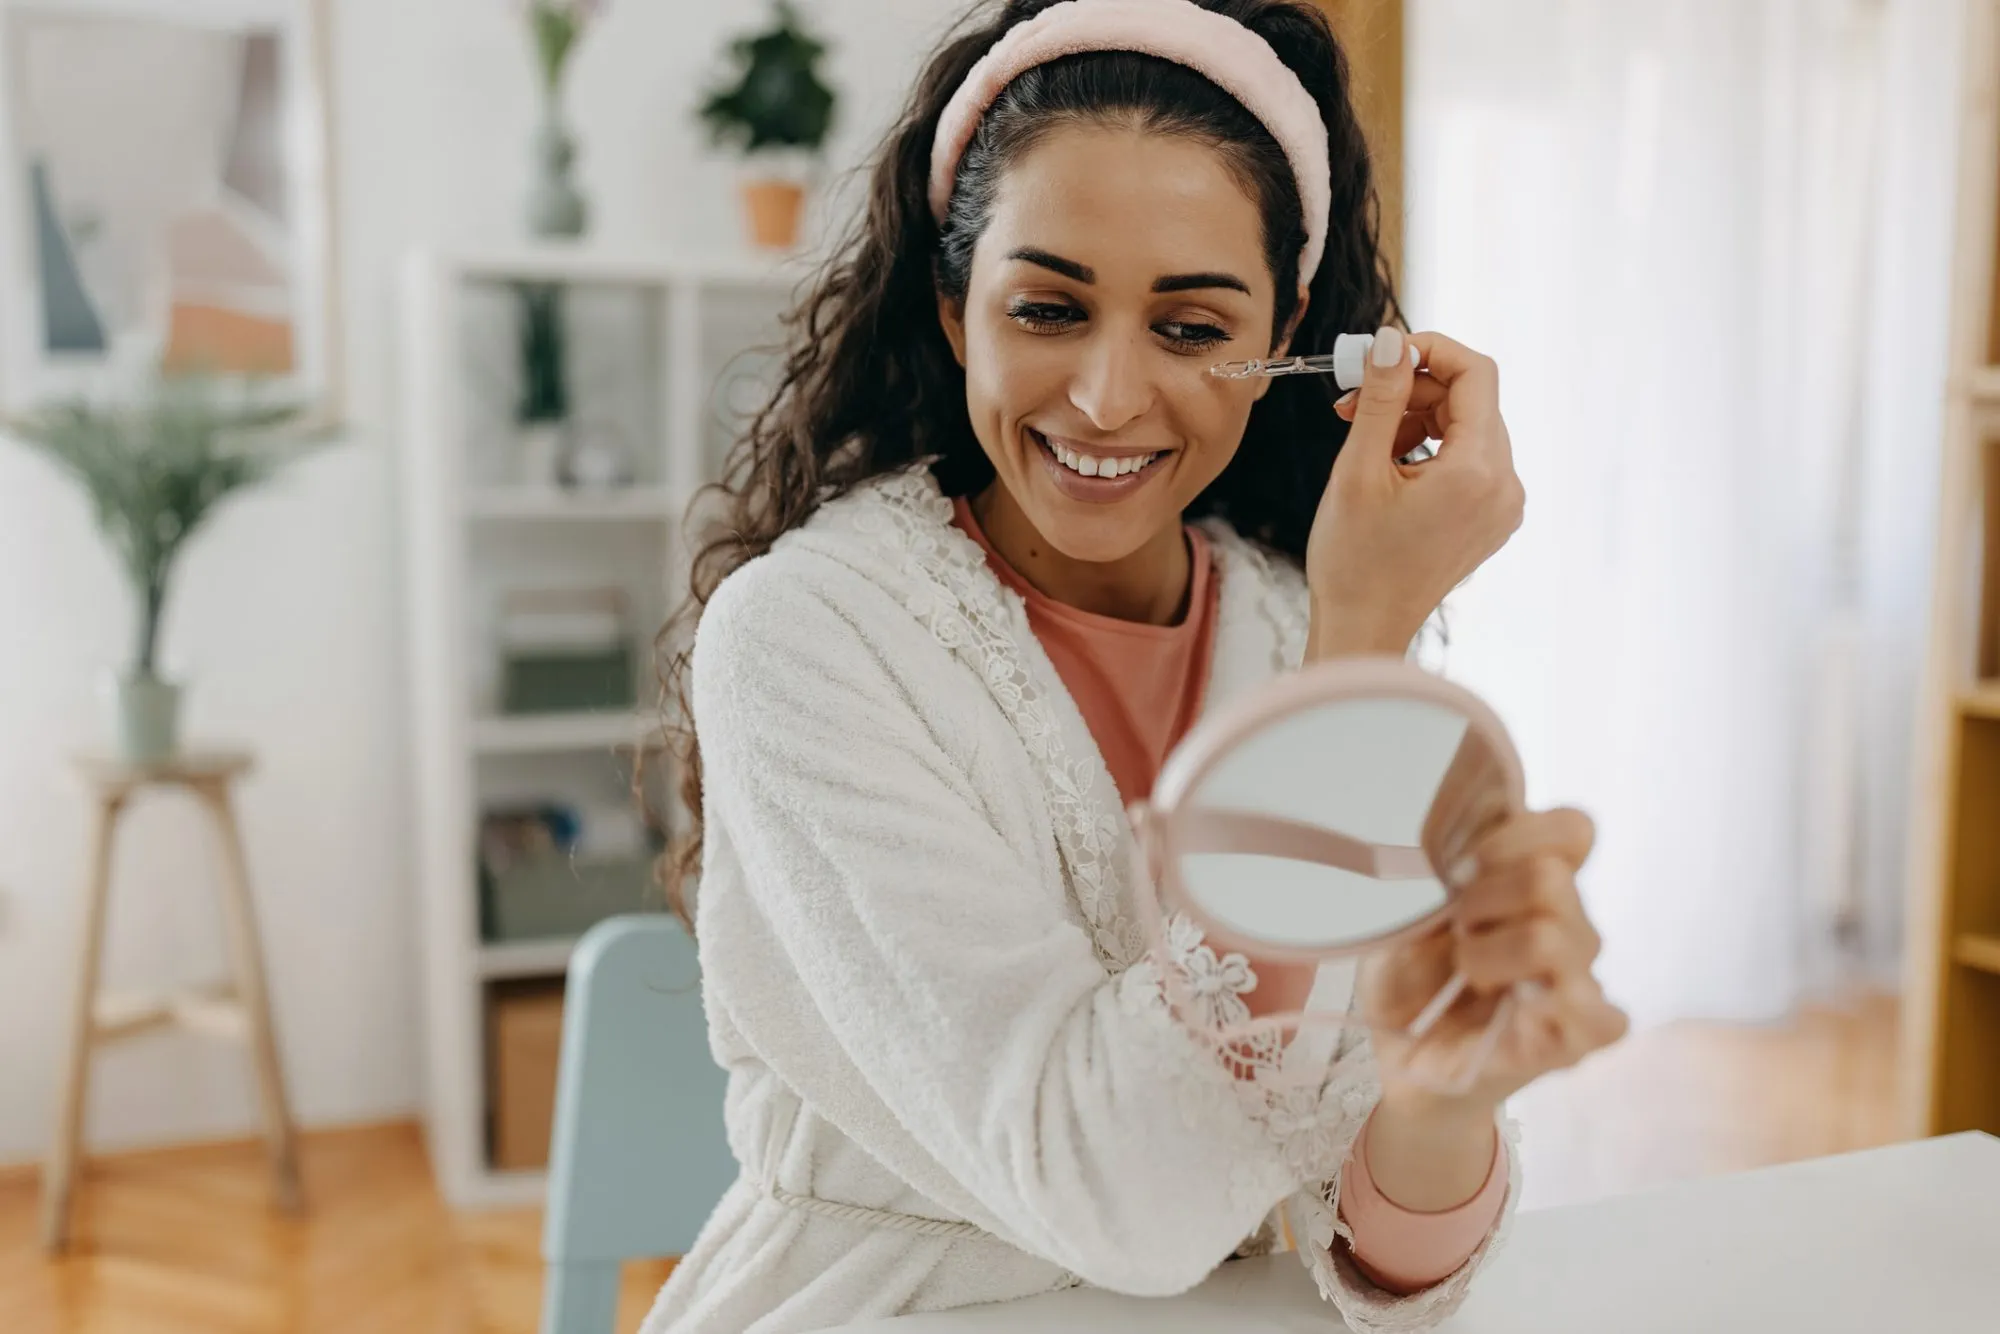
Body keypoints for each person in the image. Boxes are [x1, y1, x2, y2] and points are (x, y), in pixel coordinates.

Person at [642, 2, 1626, 1331]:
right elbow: (1125, 1202)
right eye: (1049, 308)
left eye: (1192, 327)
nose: (1108, 397)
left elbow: (1385, 1265)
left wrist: (1440, 1099)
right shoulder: (804, 638)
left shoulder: (1301, 624)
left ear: (1285, 331)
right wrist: (1356, 661)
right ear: (955, 310)